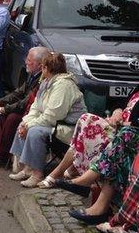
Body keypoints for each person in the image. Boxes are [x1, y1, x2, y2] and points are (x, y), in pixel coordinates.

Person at [61, 48, 139, 222]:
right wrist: (117, 112)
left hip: (138, 135)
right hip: (121, 130)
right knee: (86, 119)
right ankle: (77, 175)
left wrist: (127, 124)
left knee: (122, 140)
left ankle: (84, 180)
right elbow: (120, 103)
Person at [7, 52, 85, 187]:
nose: (41, 70)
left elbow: (53, 116)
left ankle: (37, 174)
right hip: (55, 124)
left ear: (47, 69)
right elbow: (35, 108)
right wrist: (26, 123)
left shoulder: (64, 85)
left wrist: (29, 126)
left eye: (43, 67)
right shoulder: (46, 83)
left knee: (35, 132)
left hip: (69, 128)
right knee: (24, 124)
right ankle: (27, 169)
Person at [0, 46, 50, 167]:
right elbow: (18, 92)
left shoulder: (42, 80)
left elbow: (26, 102)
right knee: (5, 115)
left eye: (29, 60)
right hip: (28, 109)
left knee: (12, 117)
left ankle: (3, 156)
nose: (26, 62)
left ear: (39, 64)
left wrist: (2, 109)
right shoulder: (32, 75)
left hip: (35, 112)